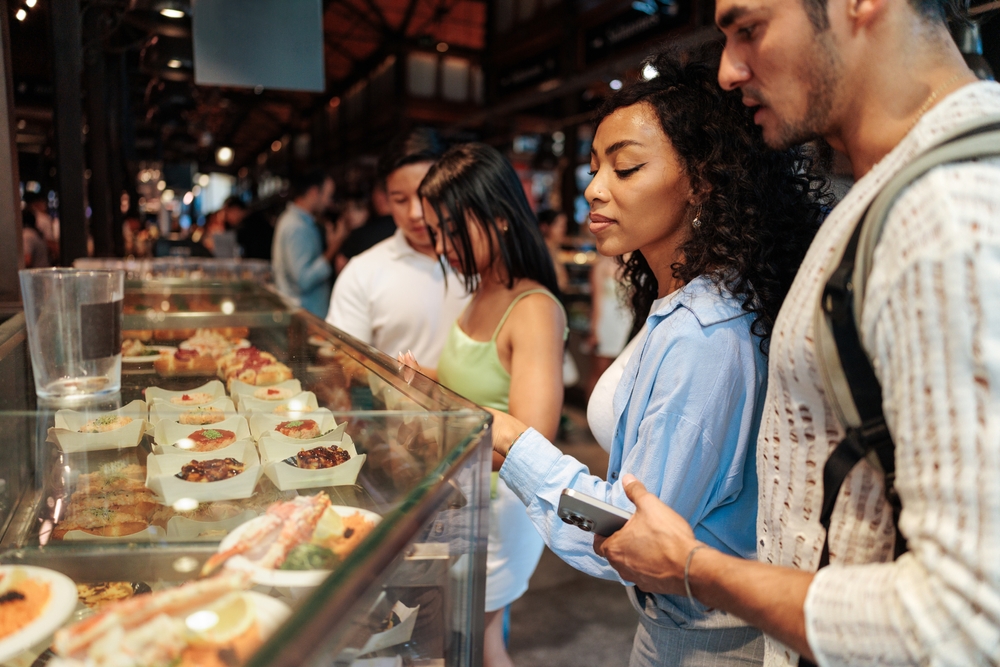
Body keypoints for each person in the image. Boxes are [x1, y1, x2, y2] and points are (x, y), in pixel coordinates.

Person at [578, 0, 1000, 664]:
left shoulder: (942, 217)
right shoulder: (894, 194)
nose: (728, 69)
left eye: (750, 29)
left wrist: (695, 567)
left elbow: (966, 619)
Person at [486, 46, 827, 666]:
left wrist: (516, 447)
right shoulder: (686, 296)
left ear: (700, 179)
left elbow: (632, 531)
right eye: (594, 168)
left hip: (707, 639)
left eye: (626, 168)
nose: (594, 189)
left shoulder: (704, 330)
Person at [400, 143, 567, 667]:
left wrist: (437, 401)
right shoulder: (484, 292)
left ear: (498, 219)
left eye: (453, 229)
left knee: (480, 643)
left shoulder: (533, 307)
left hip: (497, 508)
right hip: (464, 501)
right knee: (462, 642)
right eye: (437, 231)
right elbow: (475, 394)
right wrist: (427, 383)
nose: (443, 245)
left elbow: (529, 442)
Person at [327, 130, 469, 366]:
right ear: (385, 200)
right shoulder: (362, 273)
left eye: (427, 194)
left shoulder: (483, 263)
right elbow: (342, 364)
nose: (415, 213)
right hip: (395, 403)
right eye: (400, 200)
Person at [272, 170, 341, 317]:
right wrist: (334, 246)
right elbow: (304, 280)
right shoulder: (296, 226)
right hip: (305, 316)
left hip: (304, 314)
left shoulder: (299, 221)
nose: (329, 202)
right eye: (327, 195)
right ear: (314, 192)